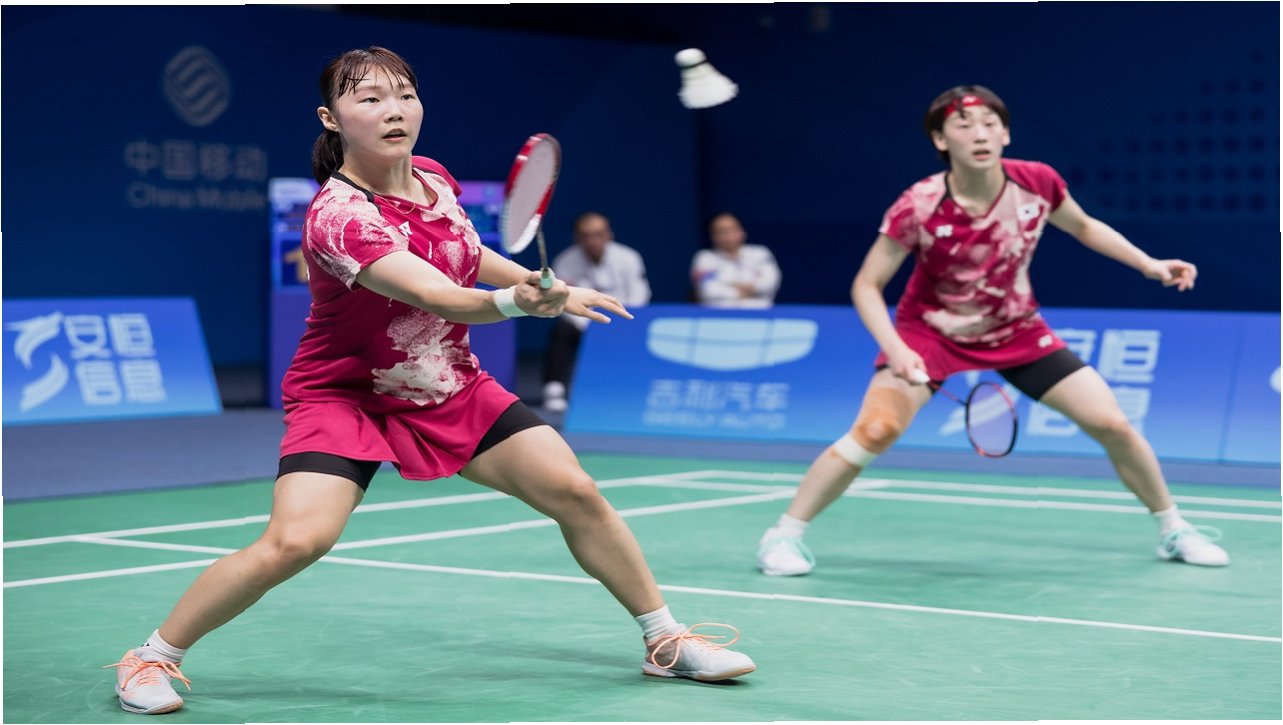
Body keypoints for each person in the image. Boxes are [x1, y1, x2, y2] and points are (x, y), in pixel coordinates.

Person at [105, 47, 754, 716]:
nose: (394, 111)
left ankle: (664, 638)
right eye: (370, 99)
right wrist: (517, 303)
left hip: (446, 382)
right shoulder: (339, 218)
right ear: (331, 118)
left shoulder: (434, 178)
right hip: (347, 394)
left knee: (575, 491)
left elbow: (465, 253)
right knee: (297, 540)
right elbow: (440, 294)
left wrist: (541, 285)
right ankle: (151, 656)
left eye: (405, 95)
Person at [755, 85, 1228, 577]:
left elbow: (1084, 226)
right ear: (940, 140)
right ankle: (783, 536)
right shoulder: (919, 204)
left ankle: (1173, 529)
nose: (979, 135)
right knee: (877, 429)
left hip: (1016, 330)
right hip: (931, 333)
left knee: (1111, 422)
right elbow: (866, 285)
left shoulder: (1037, 182)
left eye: (990, 125)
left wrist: (1148, 264)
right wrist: (895, 348)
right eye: (963, 126)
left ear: (1006, 134)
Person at [541, 212, 651, 412]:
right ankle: (554, 389)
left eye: (598, 234)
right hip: (583, 323)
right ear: (577, 238)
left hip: (624, 321)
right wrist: (591, 325)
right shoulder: (564, 262)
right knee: (562, 330)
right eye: (586, 235)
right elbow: (563, 303)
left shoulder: (629, 258)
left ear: (609, 235)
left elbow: (640, 295)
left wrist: (618, 322)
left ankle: (638, 390)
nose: (593, 241)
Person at [691, 212, 781, 308]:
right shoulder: (704, 258)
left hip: (760, 312)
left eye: (731, 230)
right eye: (720, 231)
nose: (726, 235)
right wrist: (737, 293)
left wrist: (733, 285)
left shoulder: (760, 253)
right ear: (712, 236)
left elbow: (771, 282)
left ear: (742, 231)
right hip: (720, 313)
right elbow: (708, 290)